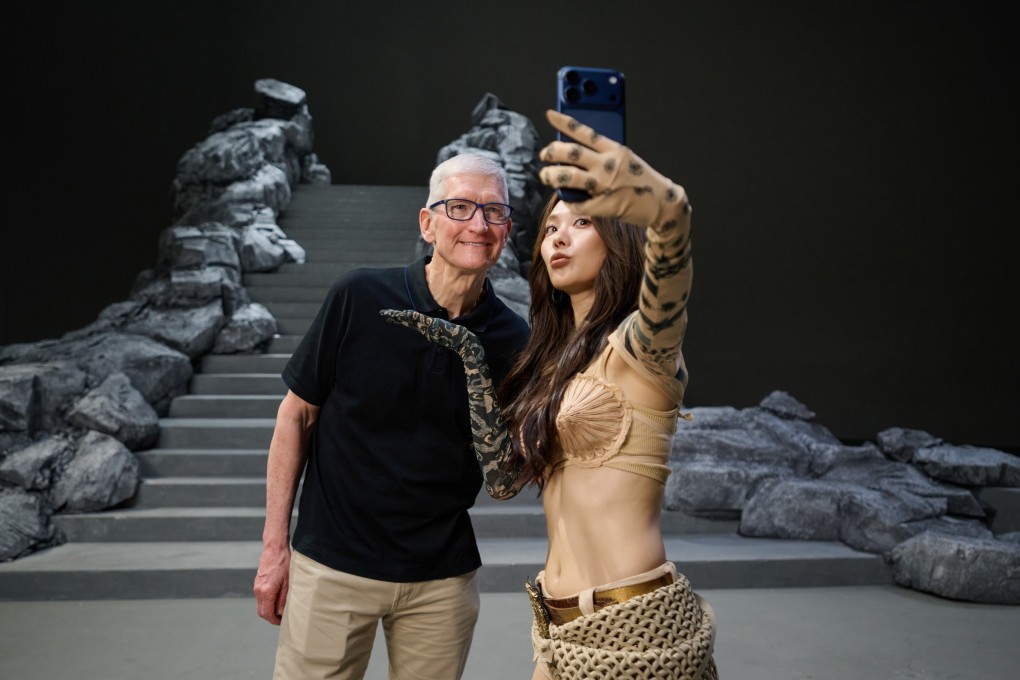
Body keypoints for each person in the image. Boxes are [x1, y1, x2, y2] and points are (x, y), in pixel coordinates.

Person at [384, 110, 718, 679]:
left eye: (583, 222)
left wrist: (669, 209)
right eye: (550, 226)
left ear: (618, 238)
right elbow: (504, 480)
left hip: (636, 622)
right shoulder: (553, 364)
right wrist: (468, 355)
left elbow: (672, 271)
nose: (559, 235)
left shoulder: (641, 348)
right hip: (555, 628)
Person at [253, 152, 531, 680]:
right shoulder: (359, 297)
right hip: (332, 566)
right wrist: (274, 548)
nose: (478, 224)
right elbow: (296, 418)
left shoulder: (513, 340)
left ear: (507, 230)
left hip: (441, 579)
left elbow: (510, 465)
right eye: (460, 207)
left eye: (494, 212)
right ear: (428, 224)